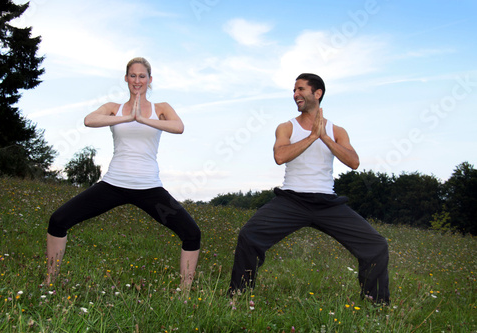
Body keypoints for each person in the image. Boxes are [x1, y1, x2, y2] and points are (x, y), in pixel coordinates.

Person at [229, 73, 390, 304]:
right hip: (291, 200)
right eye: (294, 90)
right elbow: (280, 155)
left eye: (301, 89)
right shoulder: (287, 127)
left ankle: (376, 305)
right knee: (249, 236)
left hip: (328, 203)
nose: (295, 95)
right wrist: (312, 136)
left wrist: (324, 137)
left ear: (317, 93)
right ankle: (238, 296)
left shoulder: (337, 130)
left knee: (376, 246)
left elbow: (354, 162)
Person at [45, 57, 201, 290]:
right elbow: (89, 120)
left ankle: (185, 294)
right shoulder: (113, 107)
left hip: (149, 188)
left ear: (150, 80)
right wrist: (128, 117)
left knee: (191, 233)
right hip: (113, 185)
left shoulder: (161, 108)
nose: (137, 80)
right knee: (58, 220)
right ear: (126, 78)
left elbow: (178, 127)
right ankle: (49, 282)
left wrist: (144, 120)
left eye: (142, 76)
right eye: (132, 75)